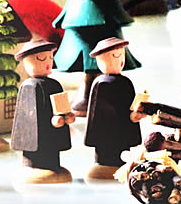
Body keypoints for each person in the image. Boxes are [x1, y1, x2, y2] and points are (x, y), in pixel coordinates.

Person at [10, 39, 74, 184]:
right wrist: (53, 120)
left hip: (53, 133)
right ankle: (34, 166)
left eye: (50, 57)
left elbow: (62, 106)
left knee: (52, 147)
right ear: (27, 63)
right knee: (36, 147)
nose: (48, 62)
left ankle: (52, 165)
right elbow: (27, 118)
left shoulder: (55, 85)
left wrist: (66, 117)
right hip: (35, 138)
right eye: (41, 58)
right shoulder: (28, 86)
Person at [84, 37, 146, 180]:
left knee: (122, 152)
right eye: (115, 55)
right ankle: (105, 163)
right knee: (106, 153)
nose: (120, 60)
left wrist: (135, 115)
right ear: (100, 60)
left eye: (121, 54)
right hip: (105, 133)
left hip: (123, 131)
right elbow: (95, 115)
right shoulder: (100, 83)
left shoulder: (126, 82)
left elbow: (129, 107)